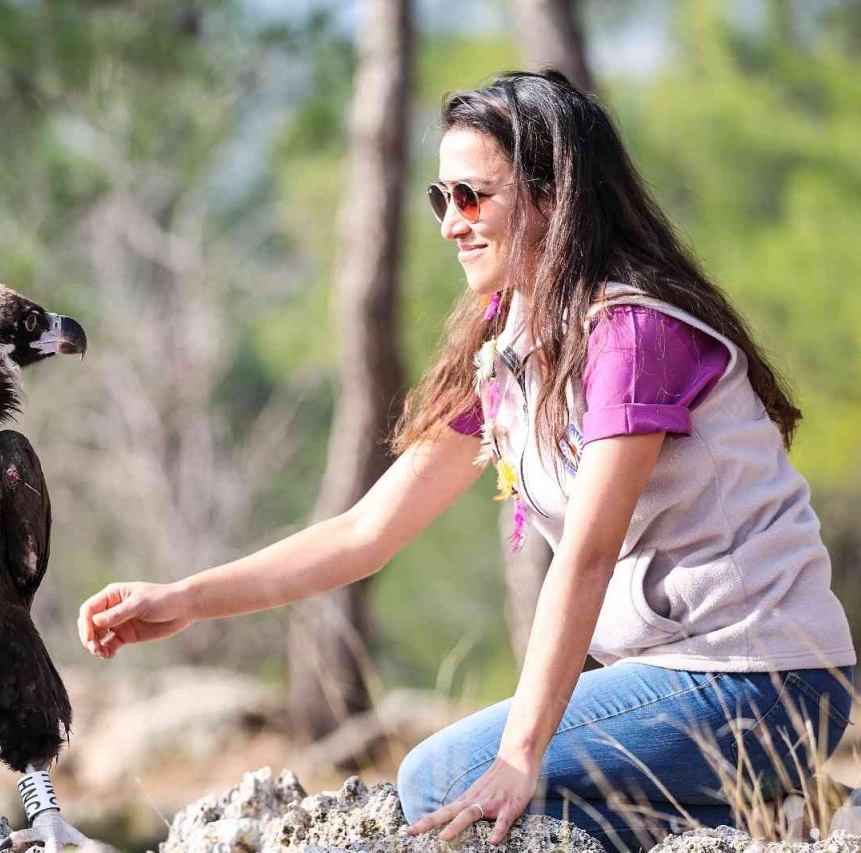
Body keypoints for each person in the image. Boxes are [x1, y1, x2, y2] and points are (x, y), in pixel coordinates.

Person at [75, 70, 856, 852]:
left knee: (449, 779)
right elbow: (364, 533)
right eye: (439, 198)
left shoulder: (631, 334)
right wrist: (185, 597)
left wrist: (520, 754)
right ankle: (772, 817)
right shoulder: (513, 348)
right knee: (471, 802)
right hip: (681, 681)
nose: (451, 223)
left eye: (473, 196)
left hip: (766, 679)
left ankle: (775, 819)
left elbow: (584, 558)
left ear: (555, 197)